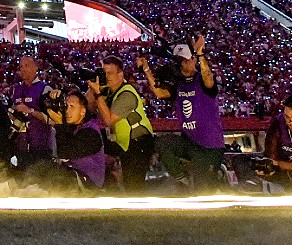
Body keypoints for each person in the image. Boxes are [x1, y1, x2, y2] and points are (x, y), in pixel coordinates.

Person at [142, 37, 224, 191]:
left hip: (210, 146)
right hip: (190, 143)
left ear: (193, 60)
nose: (184, 64)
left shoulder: (201, 80)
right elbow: (159, 92)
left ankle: (216, 177)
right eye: (181, 61)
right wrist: (146, 69)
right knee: (162, 143)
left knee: (204, 189)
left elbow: (208, 79)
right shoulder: (179, 84)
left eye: (187, 60)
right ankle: (182, 178)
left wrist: (200, 55)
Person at [89, 56, 154, 191]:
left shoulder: (127, 94)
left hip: (138, 143)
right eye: (104, 73)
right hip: (124, 144)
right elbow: (87, 106)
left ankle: (139, 209)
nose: (107, 77)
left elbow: (108, 120)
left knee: (134, 186)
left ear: (120, 73)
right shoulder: (109, 91)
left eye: (110, 73)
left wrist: (97, 93)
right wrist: (93, 85)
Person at [8, 54, 57, 175]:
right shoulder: (17, 89)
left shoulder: (45, 89)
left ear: (36, 68)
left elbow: (52, 120)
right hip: (22, 147)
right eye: (20, 66)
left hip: (41, 147)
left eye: (26, 65)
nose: (22, 69)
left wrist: (30, 111)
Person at [57, 89, 109, 191]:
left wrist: (59, 124)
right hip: (76, 178)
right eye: (66, 106)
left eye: (72, 107)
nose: (67, 111)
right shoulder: (73, 127)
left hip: (90, 183)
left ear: (83, 111)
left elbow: (65, 153)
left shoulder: (90, 132)